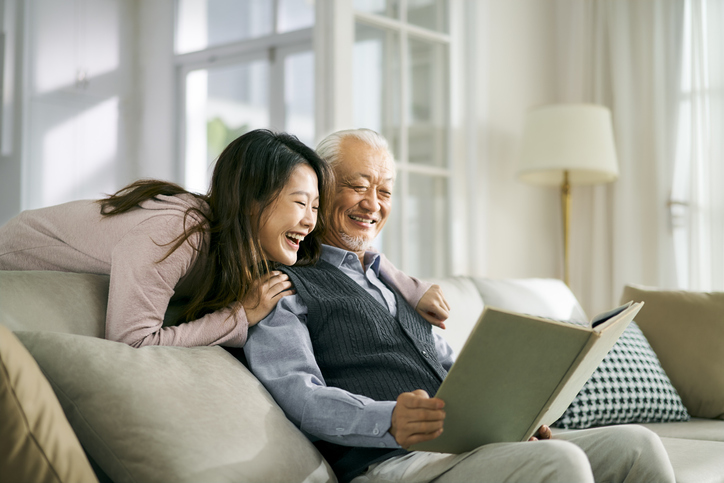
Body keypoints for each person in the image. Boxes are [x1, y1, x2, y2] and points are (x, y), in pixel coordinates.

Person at [243, 128, 676, 483]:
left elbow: (451, 369)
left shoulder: (398, 285)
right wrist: (388, 419)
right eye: (358, 186)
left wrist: (515, 418)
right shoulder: (286, 285)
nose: (373, 204)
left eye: (385, 191)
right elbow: (300, 395)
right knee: (561, 464)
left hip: (463, 449)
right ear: (319, 190)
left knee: (638, 446)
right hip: (391, 464)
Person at [0, 129, 432, 348]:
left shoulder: (260, 241)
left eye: (316, 207)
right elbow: (132, 341)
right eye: (301, 203)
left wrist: (411, 288)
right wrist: (238, 316)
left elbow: (349, 247)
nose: (311, 221)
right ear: (252, 202)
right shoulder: (179, 231)